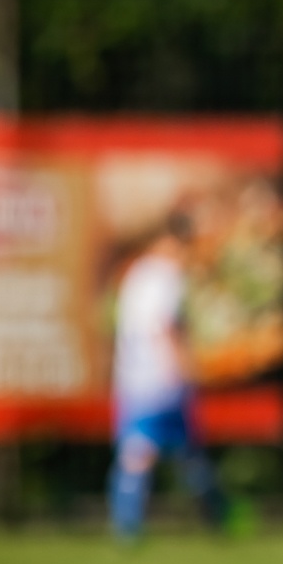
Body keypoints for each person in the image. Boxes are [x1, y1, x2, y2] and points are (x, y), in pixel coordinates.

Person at [109, 212, 227, 541]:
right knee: (159, 452)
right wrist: (182, 367)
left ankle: (130, 526)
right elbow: (164, 327)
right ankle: (132, 525)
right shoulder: (166, 276)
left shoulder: (138, 272)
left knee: (172, 450)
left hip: (132, 377)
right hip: (160, 379)